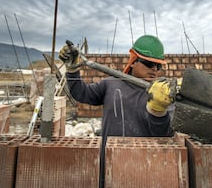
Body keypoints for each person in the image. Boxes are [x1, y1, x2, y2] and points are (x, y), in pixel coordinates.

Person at [59, 34, 175, 187]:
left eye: (158, 66)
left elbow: (163, 135)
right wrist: (72, 70)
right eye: (148, 63)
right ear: (133, 61)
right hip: (109, 164)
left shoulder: (163, 96)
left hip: (145, 168)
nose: (154, 69)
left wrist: (158, 110)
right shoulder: (111, 84)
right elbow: (82, 94)